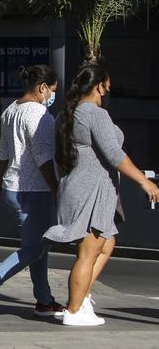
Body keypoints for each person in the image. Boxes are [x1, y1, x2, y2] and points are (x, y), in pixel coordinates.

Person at [44, 63, 159, 327]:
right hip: (92, 191)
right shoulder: (95, 115)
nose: (108, 91)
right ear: (100, 86)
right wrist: (145, 181)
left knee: (106, 244)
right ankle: (74, 310)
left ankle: (81, 297)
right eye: (107, 86)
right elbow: (114, 154)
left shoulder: (66, 115)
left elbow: (58, 158)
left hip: (77, 187)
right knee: (89, 251)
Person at [0, 65, 64, 319]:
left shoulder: (10, 110)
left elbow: (2, 154)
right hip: (35, 190)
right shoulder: (39, 114)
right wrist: (57, 189)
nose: (53, 96)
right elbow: (43, 158)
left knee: (38, 246)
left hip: (14, 187)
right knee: (36, 248)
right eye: (53, 91)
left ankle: (44, 300)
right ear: (43, 88)